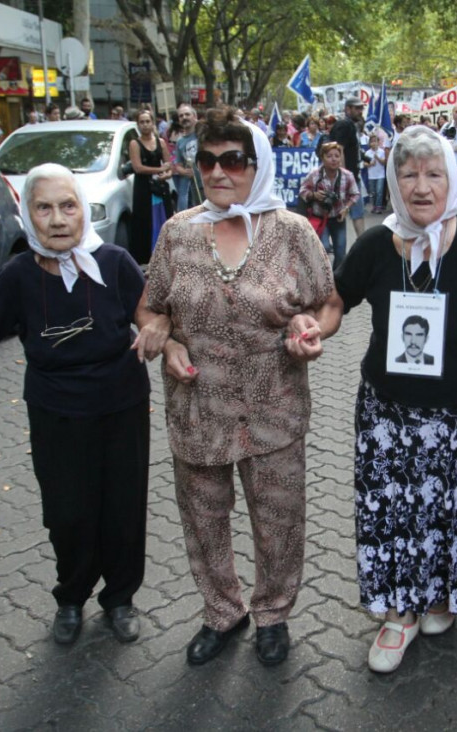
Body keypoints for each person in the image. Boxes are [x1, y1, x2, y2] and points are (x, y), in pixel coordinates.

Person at [285, 125, 457, 674]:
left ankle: (445, 596)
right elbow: (337, 300)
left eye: (433, 173)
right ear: (394, 182)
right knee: (397, 514)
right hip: (388, 413)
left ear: (451, 178)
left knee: (453, 509)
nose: (421, 186)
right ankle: (400, 613)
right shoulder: (378, 244)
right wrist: (316, 328)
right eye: (408, 174)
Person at [144, 106, 335, 667]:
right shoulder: (179, 233)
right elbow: (150, 307)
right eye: (207, 160)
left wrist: (311, 329)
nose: (218, 172)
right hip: (197, 407)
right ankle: (222, 612)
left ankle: (273, 613)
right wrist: (161, 335)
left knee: (279, 519)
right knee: (203, 520)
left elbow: (328, 303)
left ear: (259, 165)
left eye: (234, 160)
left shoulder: (292, 232)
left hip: (273, 410)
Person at [0, 163, 167, 647]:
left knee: (122, 507)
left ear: (83, 210)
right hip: (56, 411)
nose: (58, 219)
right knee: (68, 512)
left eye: (68, 206)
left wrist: (158, 326)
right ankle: (71, 597)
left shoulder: (113, 262)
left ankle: (120, 598)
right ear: (28, 214)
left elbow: (150, 311)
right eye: (43, 208)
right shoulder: (17, 276)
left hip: (121, 405)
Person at [298, 141, 360, 262]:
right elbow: (302, 191)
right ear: (322, 158)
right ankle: (323, 276)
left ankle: (336, 278)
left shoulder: (347, 175)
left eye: (337, 156)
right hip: (320, 217)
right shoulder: (314, 174)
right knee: (324, 248)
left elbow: (355, 194)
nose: (334, 159)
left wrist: (346, 208)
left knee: (341, 253)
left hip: (338, 218)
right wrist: (314, 195)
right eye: (329, 156)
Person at [128, 108, 173, 264]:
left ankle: (165, 254)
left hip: (160, 189)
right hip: (143, 190)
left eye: (148, 121)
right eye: (142, 122)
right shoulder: (135, 143)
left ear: (153, 123)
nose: (145, 125)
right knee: (145, 222)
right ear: (138, 125)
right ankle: (146, 258)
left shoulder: (160, 142)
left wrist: (167, 174)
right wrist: (159, 169)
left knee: (163, 220)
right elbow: (138, 167)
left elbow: (169, 165)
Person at [329, 97, 367, 235]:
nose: (360, 111)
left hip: (351, 176)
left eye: (361, 108)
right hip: (346, 177)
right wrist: (344, 174)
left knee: (356, 212)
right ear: (347, 109)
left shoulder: (351, 125)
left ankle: (361, 246)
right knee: (340, 214)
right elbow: (339, 149)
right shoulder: (344, 125)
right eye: (357, 108)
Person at [170, 104, 200, 211]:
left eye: (187, 114)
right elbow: (178, 165)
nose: (184, 117)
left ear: (194, 116)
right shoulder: (180, 142)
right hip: (193, 187)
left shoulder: (203, 134)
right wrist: (184, 171)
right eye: (181, 116)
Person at [365, 133, 387, 213]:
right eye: (372, 141)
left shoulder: (381, 151)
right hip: (371, 175)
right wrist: (370, 164)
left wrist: (377, 158)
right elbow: (365, 164)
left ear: (378, 142)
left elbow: (384, 162)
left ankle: (379, 207)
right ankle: (374, 206)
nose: (374, 143)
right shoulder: (367, 153)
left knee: (379, 191)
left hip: (380, 175)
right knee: (373, 192)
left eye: (375, 141)